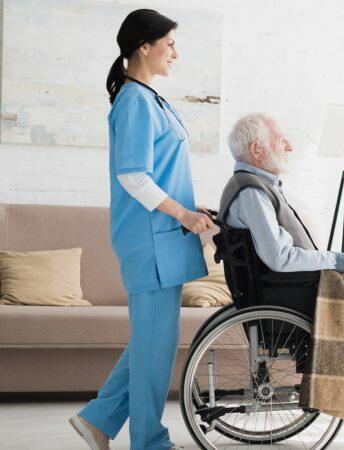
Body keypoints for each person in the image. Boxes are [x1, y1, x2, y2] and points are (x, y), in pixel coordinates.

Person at [68, 9, 213, 450]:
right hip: (150, 241)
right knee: (154, 348)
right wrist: (182, 214)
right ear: (144, 47)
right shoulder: (134, 101)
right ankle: (148, 442)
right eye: (170, 44)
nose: (176, 53)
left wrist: (188, 206)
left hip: (162, 238)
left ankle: (97, 421)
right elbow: (133, 175)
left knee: (152, 343)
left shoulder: (150, 99)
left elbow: (159, 172)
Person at [217, 113, 344, 298]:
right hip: (297, 291)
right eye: (281, 140)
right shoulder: (251, 192)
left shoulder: (253, 186)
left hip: (300, 285)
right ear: (257, 150)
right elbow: (281, 258)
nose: (290, 147)